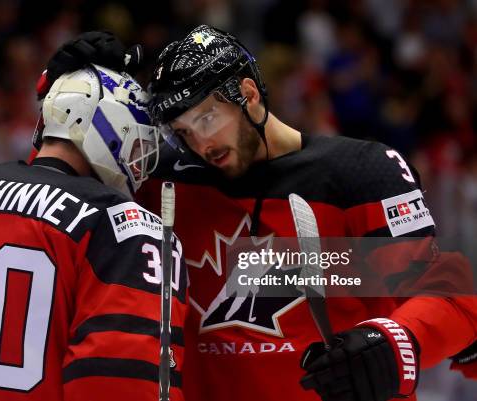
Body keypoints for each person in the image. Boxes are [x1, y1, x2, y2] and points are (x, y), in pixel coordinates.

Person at [39, 28, 476, 401]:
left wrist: (391, 341)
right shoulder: (161, 183)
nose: (200, 144)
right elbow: (50, 198)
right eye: (183, 132)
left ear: (247, 94)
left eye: (207, 119)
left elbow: (453, 295)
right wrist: (65, 96)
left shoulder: (360, 171)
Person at [0, 62, 187, 400]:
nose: (138, 162)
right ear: (109, 126)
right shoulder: (120, 223)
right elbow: (117, 380)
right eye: (137, 143)